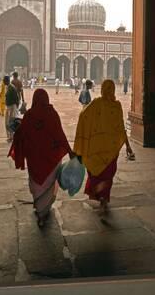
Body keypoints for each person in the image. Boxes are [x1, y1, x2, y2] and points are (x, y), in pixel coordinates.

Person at [9, 89, 75, 227]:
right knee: (49, 183)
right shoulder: (52, 114)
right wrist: (69, 151)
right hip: (51, 158)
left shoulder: (29, 115)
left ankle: (39, 209)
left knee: (37, 182)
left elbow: (22, 134)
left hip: (35, 158)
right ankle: (43, 210)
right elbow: (60, 134)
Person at [73, 79, 134, 213]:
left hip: (96, 146)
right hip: (111, 149)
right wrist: (128, 146)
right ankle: (104, 197)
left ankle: (99, 193)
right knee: (108, 174)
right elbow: (121, 127)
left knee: (96, 172)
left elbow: (83, 115)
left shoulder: (96, 104)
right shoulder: (116, 106)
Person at [4, 75, 20, 142]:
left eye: (4, 80)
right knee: (8, 122)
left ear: (7, 80)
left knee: (11, 122)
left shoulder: (11, 88)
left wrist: (16, 107)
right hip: (9, 106)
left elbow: (17, 98)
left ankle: (11, 137)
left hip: (12, 107)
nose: (3, 82)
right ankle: (10, 136)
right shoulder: (8, 87)